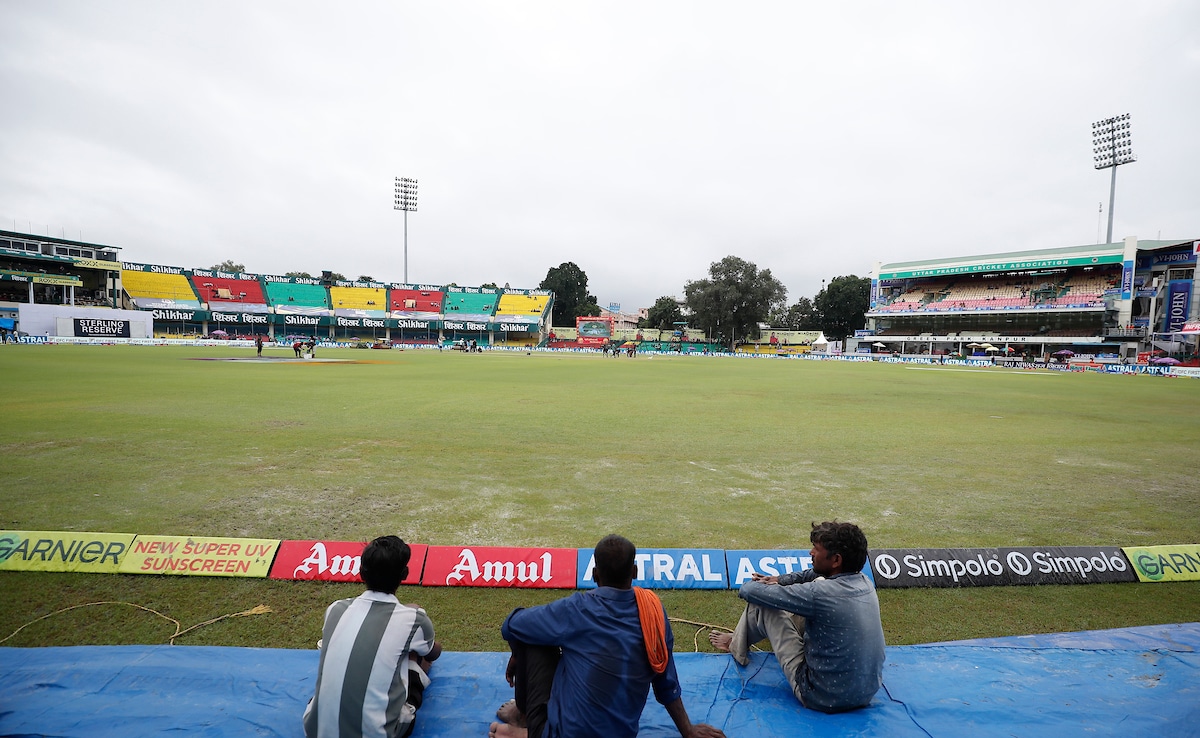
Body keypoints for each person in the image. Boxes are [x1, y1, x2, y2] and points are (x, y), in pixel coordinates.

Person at [489, 534, 725, 738]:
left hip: (562, 733)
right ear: (634, 571)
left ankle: (524, 719)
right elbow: (666, 682)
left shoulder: (576, 609)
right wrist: (688, 730)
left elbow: (511, 625)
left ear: (595, 574)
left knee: (532, 634)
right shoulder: (653, 613)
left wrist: (517, 654)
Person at [709, 521, 885, 714]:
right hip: (866, 693)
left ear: (836, 560)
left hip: (821, 696)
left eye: (816, 549)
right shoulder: (865, 582)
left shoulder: (820, 593)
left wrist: (768, 585)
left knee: (764, 605)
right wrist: (780, 580)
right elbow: (813, 575)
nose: (811, 552)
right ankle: (739, 639)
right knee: (812, 590)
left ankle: (735, 644)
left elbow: (749, 591)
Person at [304, 535, 441, 738]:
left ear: (361, 573)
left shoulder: (336, 609)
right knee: (415, 658)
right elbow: (433, 653)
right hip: (379, 733)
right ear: (405, 574)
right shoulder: (414, 619)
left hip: (316, 730)